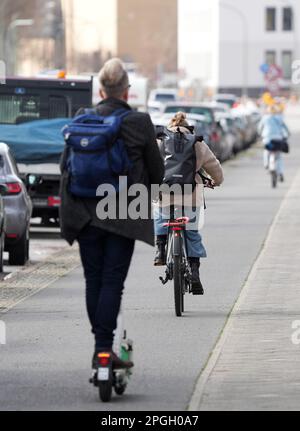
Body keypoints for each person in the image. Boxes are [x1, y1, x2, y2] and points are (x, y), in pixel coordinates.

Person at [59, 58, 164, 369]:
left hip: (84, 212)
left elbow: (65, 164)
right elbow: (156, 171)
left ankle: (100, 346)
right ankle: (105, 349)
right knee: (112, 281)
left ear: (101, 92)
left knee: (94, 279)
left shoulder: (83, 118)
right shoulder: (140, 122)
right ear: (126, 92)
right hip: (124, 212)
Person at [153, 112, 224, 295]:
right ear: (188, 126)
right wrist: (216, 181)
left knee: (161, 217)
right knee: (192, 232)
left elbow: (148, 164)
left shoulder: (161, 141)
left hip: (165, 192)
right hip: (191, 194)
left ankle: (160, 249)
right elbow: (213, 165)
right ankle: (194, 273)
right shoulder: (196, 142)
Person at [258, 104, 290, 182]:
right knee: (279, 157)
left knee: (266, 151)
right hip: (278, 139)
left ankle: (266, 164)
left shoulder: (265, 118)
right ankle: (281, 172)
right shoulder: (279, 118)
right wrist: (287, 134)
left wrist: (260, 134)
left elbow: (259, 128)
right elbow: (285, 128)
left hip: (268, 139)